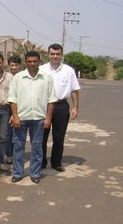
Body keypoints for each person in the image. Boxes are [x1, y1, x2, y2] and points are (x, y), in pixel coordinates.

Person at [8, 51, 56, 184]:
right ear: (25, 62)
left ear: (40, 61)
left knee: (37, 147)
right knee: (18, 147)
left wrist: (48, 118)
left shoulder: (47, 77)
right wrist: (15, 116)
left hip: (39, 118)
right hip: (21, 118)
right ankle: (18, 173)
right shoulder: (18, 77)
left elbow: (51, 100)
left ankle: (35, 173)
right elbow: (12, 99)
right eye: (29, 61)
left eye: (35, 61)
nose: (32, 64)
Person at [40, 43, 81, 172]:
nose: (55, 56)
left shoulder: (68, 70)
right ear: (48, 54)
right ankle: (41, 162)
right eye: (52, 54)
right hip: (43, 106)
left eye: (58, 54)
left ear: (61, 55)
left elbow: (74, 90)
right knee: (41, 136)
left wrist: (75, 107)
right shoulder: (41, 69)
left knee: (59, 136)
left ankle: (56, 162)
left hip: (61, 106)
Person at [3, 55, 22, 165]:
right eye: (12, 65)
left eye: (16, 65)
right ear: (9, 65)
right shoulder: (6, 77)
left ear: (20, 66)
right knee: (8, 134)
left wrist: (16, 112)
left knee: (18, 133)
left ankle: (17, 154)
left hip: (20, 108)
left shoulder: (22, 77)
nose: (14, 67)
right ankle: (9, 155)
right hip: (7, 107)